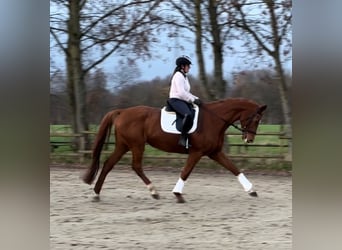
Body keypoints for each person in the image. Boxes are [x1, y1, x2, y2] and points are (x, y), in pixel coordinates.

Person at [167, 56, 202, 148]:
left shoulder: (184, 77)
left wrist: (197, 98)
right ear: (182, 66)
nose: (189, 67)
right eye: (188, 65)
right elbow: (181, 93)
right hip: (175, 100)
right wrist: (193, 100)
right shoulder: (178, 76)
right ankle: (183, 138)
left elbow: (187, 93)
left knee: (194, 111)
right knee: (188, 114)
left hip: (182, 100)